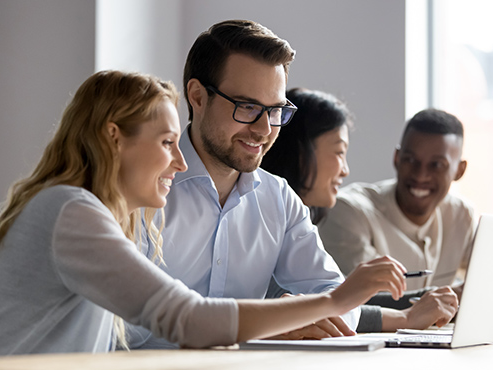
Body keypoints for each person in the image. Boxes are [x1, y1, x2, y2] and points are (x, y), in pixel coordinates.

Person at [0, 70, 412, 357]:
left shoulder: (88, 213)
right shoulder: (70, 210)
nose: (180, 163)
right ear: (114, 138)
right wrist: (336, 300)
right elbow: (188, 319)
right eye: (166, 143)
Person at [130, 20, 458, 349]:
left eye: (274, 111)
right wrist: (267, 323)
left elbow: (340, 303)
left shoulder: (279, 199)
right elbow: (125, 326)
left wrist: (295, 319)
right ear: (198, 97)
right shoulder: (139, 191)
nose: (263, 129)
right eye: (247, 107)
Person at [261, 88, 458, 332]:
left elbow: (330, 301)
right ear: (301, 152)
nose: (345, 170)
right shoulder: (263, 215)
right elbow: (317, 305)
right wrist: (407, 317)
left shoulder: (298, 218)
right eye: (339, 152)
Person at [318, 108, 493, 320]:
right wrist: (471, 300)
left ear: (459, 170)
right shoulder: (349, 211)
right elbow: (360, 303)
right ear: (396, 159)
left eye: (437, 165)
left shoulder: (460, 214)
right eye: (410, 160)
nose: (420, 175)